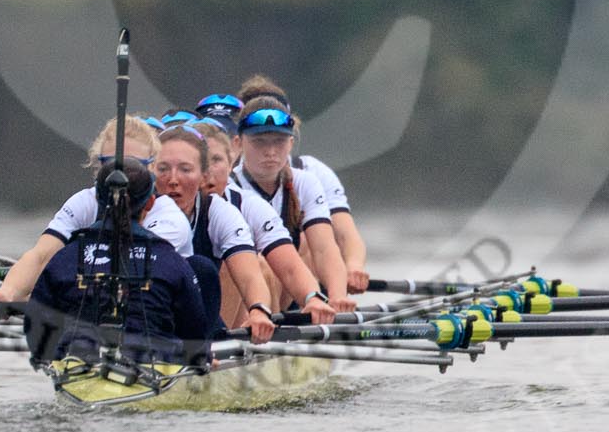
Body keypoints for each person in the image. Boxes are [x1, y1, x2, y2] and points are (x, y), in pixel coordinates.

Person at [0, 117, 192, 316]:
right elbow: (41, 256)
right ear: (99, 166)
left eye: (134, 165)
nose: (122, 176)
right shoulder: (84, 202)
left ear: (152, 168)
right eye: (113, 164)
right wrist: (7, 294)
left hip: (155, 313)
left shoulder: (168, 216)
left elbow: (131, 272)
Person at [20, 158, 213, 365]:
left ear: (97, 199)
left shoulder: (64, 258)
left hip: (77, 367)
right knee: (204, 269)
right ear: (150, 203)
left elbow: (35, 332)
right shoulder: (172, 261)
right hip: (154, 368)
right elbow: (194, 334)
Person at [153, 121, 335, 342]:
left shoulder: (226, 211)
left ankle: (221, 346)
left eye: (185, 169)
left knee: (225, 267)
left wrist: (265, 308)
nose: (173, 180)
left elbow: (255, 275)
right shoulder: (135, 206)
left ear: (204, 174)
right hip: (148, 313)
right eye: (163, 169)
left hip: (199, 319)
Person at [224, 78, 373, 295]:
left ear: (291, 143)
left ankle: (321, 307)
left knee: (306, 245)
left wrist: (341, 295)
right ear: (238, 143)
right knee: (262, 263)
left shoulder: (307, 178)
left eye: (279, 141)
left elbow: (325, 249)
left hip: (295, 288)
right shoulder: (228, 187)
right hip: (246, 293)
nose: (271, 152)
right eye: (259, 142)